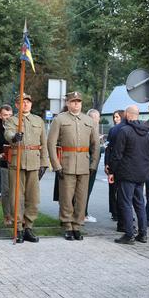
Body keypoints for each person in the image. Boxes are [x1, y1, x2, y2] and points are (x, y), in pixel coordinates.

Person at [47, 91, 100, 241]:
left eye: (78, 101)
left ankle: (77, 225)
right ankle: (67, 226)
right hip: (66, 163)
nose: (76, 104)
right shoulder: (59, 119)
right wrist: (56, 165)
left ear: (81, 103)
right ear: (68, 103)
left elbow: (96, 144)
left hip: (84, 164)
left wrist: (94, 164)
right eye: (73, 101)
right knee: (66, 197)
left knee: (82, 197)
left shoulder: (88, 120)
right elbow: (51, 144)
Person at [4, 93, 49, 243]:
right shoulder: (12, 120)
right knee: (17, 197)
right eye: (22, 102)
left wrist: (44, 163)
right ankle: (18, 228)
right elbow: (8, 133)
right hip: (18, 162)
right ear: (17, 105)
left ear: (31, 104)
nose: (25, 104)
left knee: (33, 197)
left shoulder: (38, 120)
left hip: (34, 162)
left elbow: (44, 143)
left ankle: (28, 226)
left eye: (28, 102)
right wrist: (14, 137)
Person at [109, 105, 149, 244]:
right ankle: (143, 234)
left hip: (126, 173)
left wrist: (112, 171)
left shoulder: (125, 131)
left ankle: (129, 234)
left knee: (126, 203)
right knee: (140, 203)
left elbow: (117, 155)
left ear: (127, 115)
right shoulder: (148, 133)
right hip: (142, 173)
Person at [0, 104, 13, 226]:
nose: (8, 117)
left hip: (17, 161)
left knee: (17, 191)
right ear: (0, 115)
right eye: (5, 115)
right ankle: (7, 216)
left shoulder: (17, 124)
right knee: (5, 191)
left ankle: (18, 216)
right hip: (4, 162)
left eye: (10, 115)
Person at [106, 110, 125, 224]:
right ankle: (114, 212)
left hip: (121, 164)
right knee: (113, 189)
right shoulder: (113, 130)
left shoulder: (123, 130)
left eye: (117, 117)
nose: (115, 119)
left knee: (120, 190)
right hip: (113, 163)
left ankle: (120, 213)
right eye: (114, 117)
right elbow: (109, 148)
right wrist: (107, 163)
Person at [84, 108, 102, 223]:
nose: (96, 121)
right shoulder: (89, 130)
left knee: (86, 190)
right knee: (85, 190)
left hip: (91, 164)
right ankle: (83, 214)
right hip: (88, 164)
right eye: (94, 118)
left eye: (97, 118)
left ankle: (83, 213)